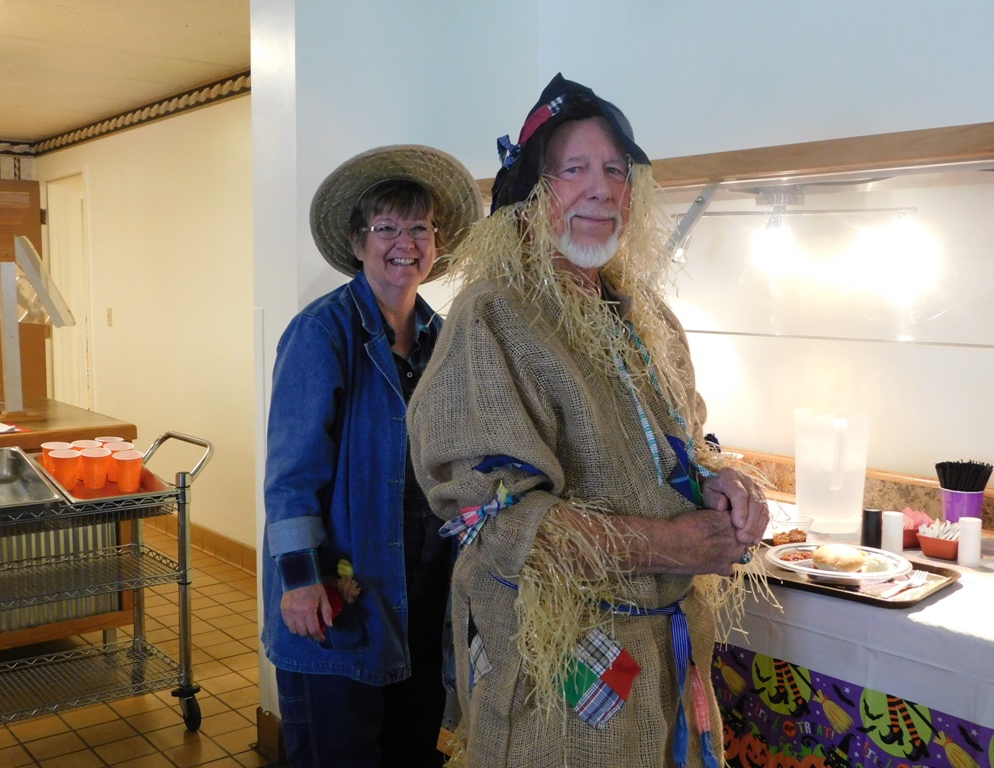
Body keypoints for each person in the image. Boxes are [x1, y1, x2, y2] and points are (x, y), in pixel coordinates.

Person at [407, 74, 770, 768]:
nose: (600, 188)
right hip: (562, 680)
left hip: (670, 665)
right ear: (530, 198)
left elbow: (682, 448)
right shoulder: (494, 317)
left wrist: (723, 485)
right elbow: (499, 522)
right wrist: (674, 546)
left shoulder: (647, 317)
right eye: (573, 170)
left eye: (615, 170)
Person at [262, 144, 483, 767]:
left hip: (422, 592)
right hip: (342, 590)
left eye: (420, 228)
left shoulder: (445, 339)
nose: (404, 243)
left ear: (436, 244)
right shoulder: (322, 333)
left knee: (410, 748)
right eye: (387, 227)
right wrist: (299, 582)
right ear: (359, 243)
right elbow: (290, 476)